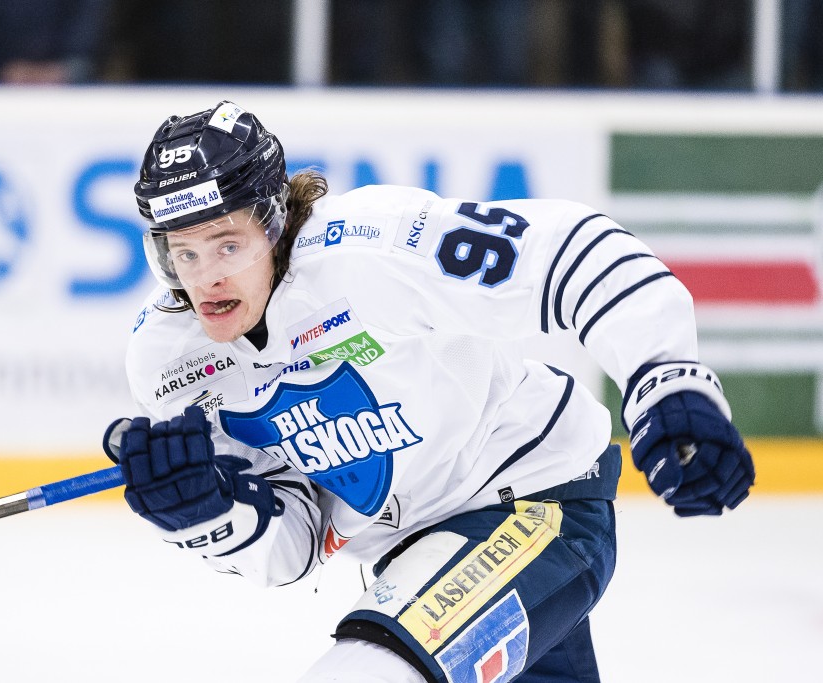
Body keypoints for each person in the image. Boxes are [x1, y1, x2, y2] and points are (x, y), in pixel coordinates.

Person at [102, 101, 755, 682]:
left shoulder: (371, 248)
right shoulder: (171, 360)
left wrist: (665, 379)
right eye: (181, 254)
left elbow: (574, 252)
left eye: (227, 244)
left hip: (535, 500)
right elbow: (296, 541)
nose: (206, 279)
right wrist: (210, 510)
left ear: (274, 223)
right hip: (412, 558)